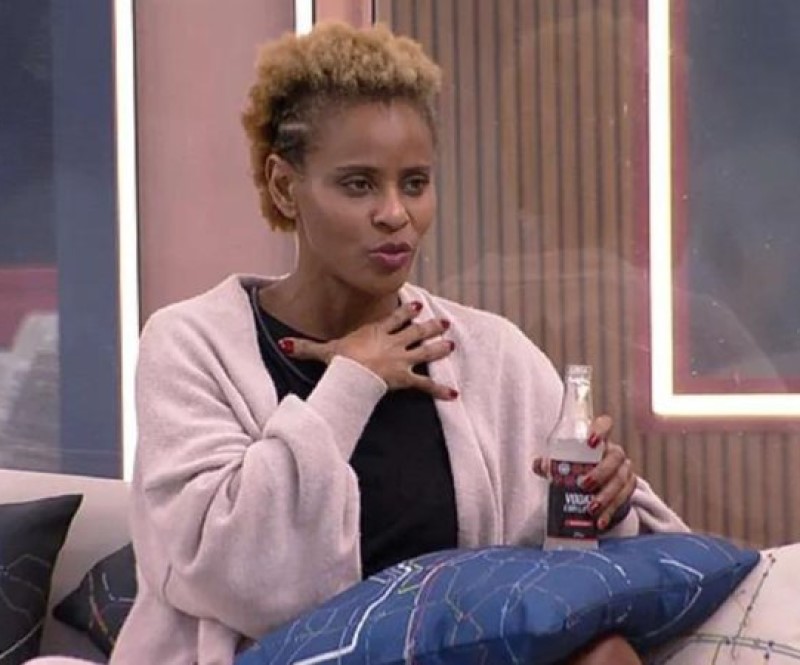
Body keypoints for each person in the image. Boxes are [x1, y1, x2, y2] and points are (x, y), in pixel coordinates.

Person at [29, 21, 687, 665]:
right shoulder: (191, 345)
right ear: (285, 186)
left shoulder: (491, 354)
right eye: (359, 184)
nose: (395, 214)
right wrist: (351, 382)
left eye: (415, 183)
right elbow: (217, 568)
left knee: (604, 651)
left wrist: (608, 501)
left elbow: (585, 571)